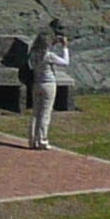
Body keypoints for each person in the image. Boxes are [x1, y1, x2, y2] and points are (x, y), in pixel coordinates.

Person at [27, 20, 72, 149]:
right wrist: (65, 47)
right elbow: (65, 62)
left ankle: (32, 139)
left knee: (36, 112)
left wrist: (52, 44)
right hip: (49, 84)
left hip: (36, 83)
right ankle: (42, 140)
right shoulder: (49, 56)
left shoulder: (34, 54)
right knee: (45, 113)